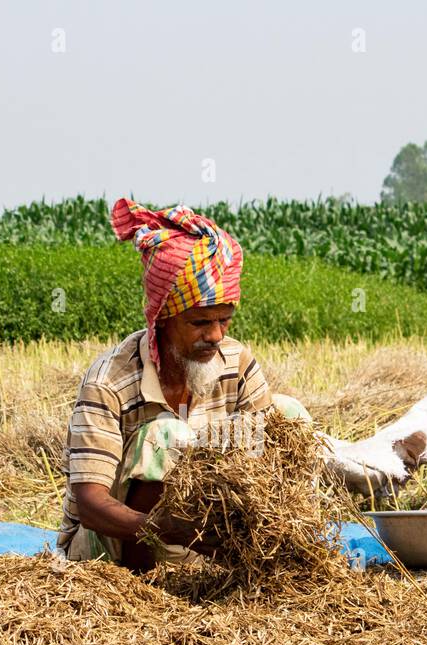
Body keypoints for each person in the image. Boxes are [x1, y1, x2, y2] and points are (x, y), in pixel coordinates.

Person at [57, 199, 311, 569]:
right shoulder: (109, 382)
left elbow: (268, 457)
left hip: (202, 543)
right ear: (161, 320)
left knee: (288, 414)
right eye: (200, 323)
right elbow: (91, 505)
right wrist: (164, 529)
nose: (215, 335)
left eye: (224, 321)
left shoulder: (235, 363)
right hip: (111, 551)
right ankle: (150, 585)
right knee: (167, 437)